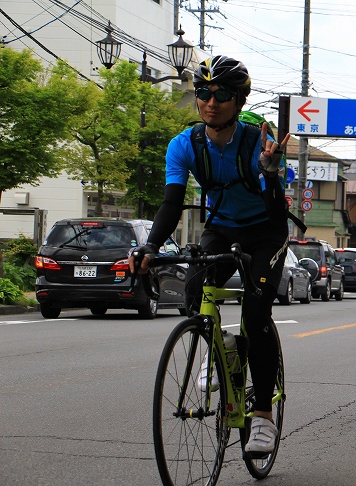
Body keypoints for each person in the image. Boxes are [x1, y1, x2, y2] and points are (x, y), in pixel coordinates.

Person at [129, 55, 289, 455]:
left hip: (266, 231)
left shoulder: (257, 141)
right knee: (195, 290)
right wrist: (150, 245)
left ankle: (264, 418)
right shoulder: (184, 145)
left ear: (239, 100)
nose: (210, 102)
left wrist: (270, 171)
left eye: (221, 94)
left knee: (256, 313)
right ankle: (219, 346)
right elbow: (170, 205)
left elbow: (275, 207)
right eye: (203, 93)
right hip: (221, 227)